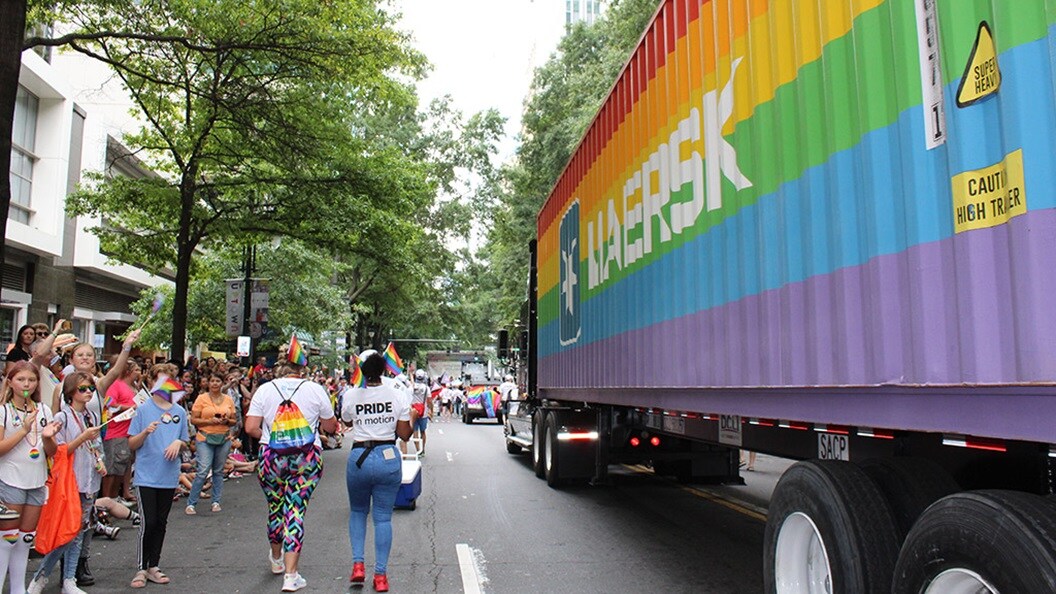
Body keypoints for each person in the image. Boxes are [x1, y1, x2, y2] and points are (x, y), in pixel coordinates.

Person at [245, 350, 337, 593]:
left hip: (270, 456)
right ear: (302, 370)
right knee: (295, 510)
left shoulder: (265, 390)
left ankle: (276, 559)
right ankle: (291, 574)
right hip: (306, 458)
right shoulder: (315, 389)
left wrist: (272, 438)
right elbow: (330, 425)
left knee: (275, 507)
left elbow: (250, 427)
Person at [342, 353, 416, 593]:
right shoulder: (396, 394)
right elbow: (404, 435)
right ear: (385, 371)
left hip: (359, 458)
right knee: (383, 517)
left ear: (362, 371)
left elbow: (347, 421)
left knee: (357, 511)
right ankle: (381, 576)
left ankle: (358, 565)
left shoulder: (351, 394)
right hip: (387, 456)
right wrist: (412, 416)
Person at [28, 372, 106, 594]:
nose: (88, 392)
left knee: (78, 532)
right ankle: (42, 576)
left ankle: (68, 579)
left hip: (90, 480)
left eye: (90, 388)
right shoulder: (62, 417)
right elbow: (58, 451)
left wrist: (100, 461)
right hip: (70, 483)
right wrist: (83, 438)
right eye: (82, 389)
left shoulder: (90, 416)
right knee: (68, 532)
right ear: (71, 393)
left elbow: (96, 447)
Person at [0, 361, 58, 594]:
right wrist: (24, 429)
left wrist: (48, 438)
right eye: (21, 379)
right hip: (11, 478)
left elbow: (51, 452)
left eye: (31, 380)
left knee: (25, 539)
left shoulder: (44, 410)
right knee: (8, 537)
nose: (26, 384)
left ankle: (18, 589)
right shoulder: (3, 411)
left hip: (36, 480)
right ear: (10, 382)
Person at [127, 368, 188, 589]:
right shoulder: (143, 410)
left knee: (161, 522)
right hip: (146, 476)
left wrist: (178, 443)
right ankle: (141, 567)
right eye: (161, 380)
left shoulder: (179, 412)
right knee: (149, 521)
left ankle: (154, 565)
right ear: (152, 382)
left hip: (169, 476)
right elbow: (132, 443)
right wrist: (144, 433)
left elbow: (185, 441)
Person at [185, 372, 237, 514]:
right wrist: (209, 421)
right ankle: (191, 503)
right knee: (203, 470)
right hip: (205, 437)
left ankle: (216, 501)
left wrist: (227, 421)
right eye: (212, 381)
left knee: (218, 471)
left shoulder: (228, 399)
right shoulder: (201, 399)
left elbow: (234, 420)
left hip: (224, 437)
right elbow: (194, 419)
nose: (215, 383)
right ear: (208, 383)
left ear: (222, 383)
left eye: (218, 381)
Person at [101, 361, 139, 506]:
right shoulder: (115, 385)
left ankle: (116, 497)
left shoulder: (134, 386)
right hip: (115, 431)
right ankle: (107, 499)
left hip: (128, 431)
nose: (139, 372)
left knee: (121, 467)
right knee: (112, 467)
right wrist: (130, 407)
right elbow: (109, 403)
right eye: (136, 369)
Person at [408, 369, 431, 457]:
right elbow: (429, 400)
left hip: (413, 412)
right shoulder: (426, 388)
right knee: (423, 431)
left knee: (415, 432)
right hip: (423, 412)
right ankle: (422, 449)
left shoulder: (411, 387)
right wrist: (430, 410)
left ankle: (418, 450)